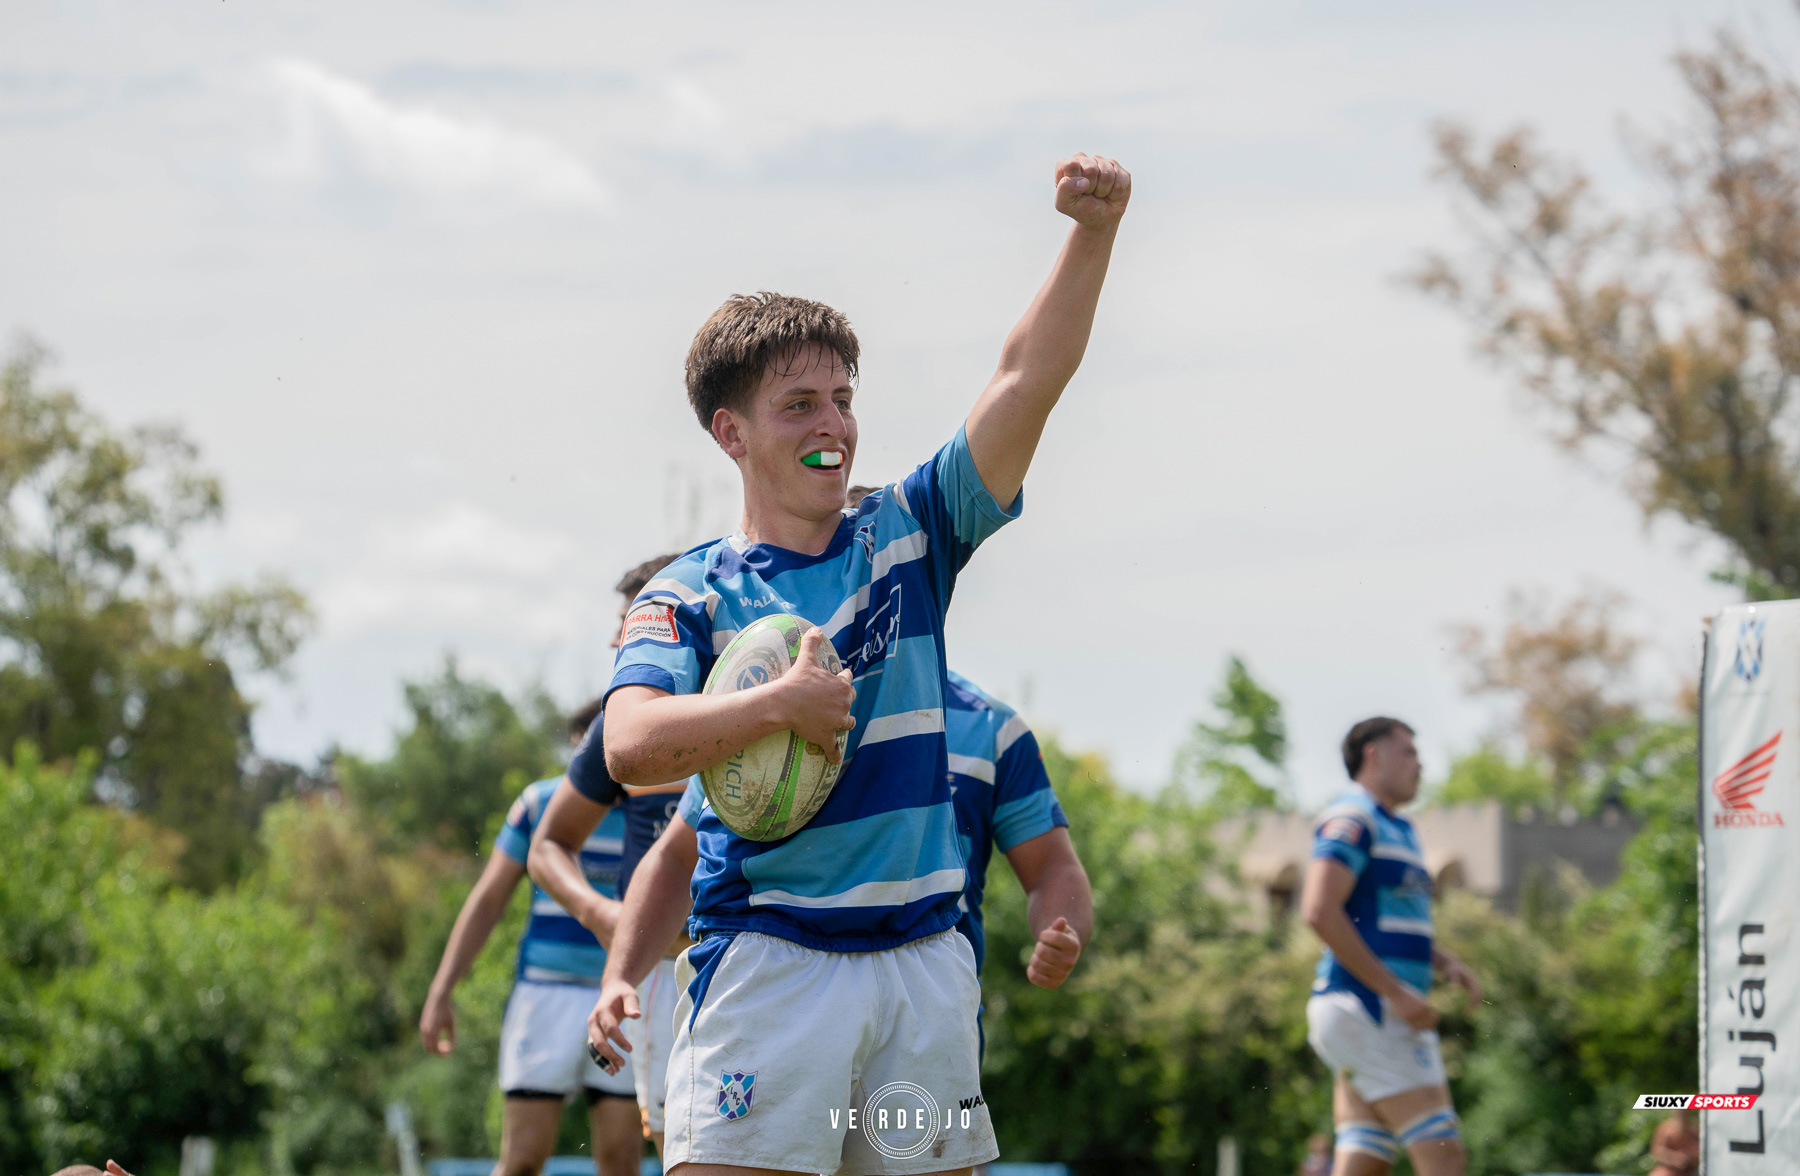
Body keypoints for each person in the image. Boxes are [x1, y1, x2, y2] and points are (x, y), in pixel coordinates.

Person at [591, 152, 1132, 1176]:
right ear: (731, 431)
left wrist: (1092, 236)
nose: (834, 424)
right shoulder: (690, 594)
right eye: (799, 404)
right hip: (772, 961)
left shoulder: (913, 530)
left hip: (924, 968)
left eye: (843, 398)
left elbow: (1026, 378)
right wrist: (779, 707)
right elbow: (629, 747)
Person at [419, 702, 639, 1176]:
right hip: (545, 994)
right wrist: (441, 990)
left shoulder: (650, 810)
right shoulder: (539, 804)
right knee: (522, 1160)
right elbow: (488, 899)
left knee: (622, 1162)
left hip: (623, 998)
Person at [530, 553, 693, 1160]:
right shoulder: (616, 726)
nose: (614, 639)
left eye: (629, 621)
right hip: (653, 975)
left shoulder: (754, 692)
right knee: (681, 1151)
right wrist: (604, 917)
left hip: (757, 962)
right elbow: (548, 846)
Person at [1300, 718, 1481, 1176]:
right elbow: (1319, 910)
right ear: (1373, 756)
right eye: (1409, 753)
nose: (1420, 765)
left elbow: (1385, 917)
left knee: (1366, 1158)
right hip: (1369, 1011)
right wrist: (1394, 991)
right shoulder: (1352, 817)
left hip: (1371, 1013)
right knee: (1444, 1155)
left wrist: (1444, 961)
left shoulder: (1398, 827)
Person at [1648, 1108, 1699, 1176]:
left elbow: (1701, 1151)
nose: (1681, 1115)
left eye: (1684, 1113)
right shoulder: (1666, 1129)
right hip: (1668, 1169)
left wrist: (1690, 1156)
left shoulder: (1694, 1130)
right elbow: (1657, 1151)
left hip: (1690, 1171)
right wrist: (1675, 1159)